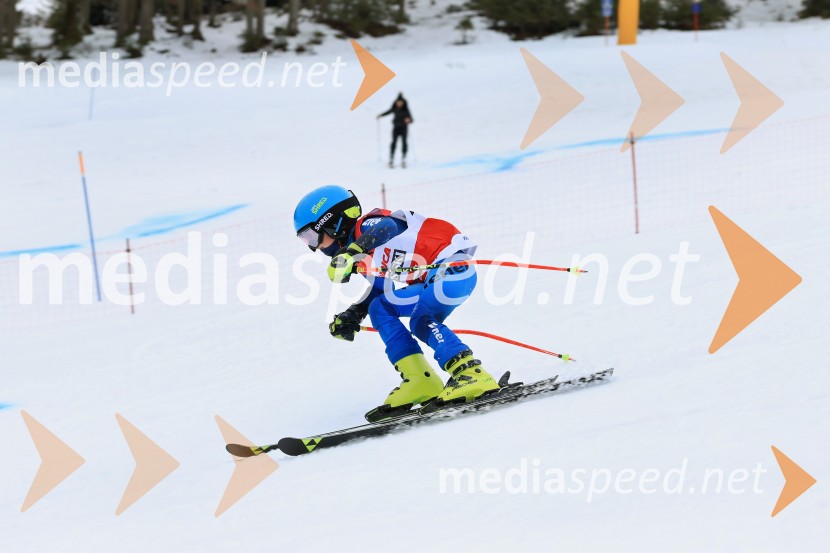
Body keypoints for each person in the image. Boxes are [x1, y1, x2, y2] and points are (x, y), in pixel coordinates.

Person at [293, 185, 499, 422]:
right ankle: (420, 379)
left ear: (333, 223)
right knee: (380, 308)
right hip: (432, 281)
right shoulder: (361, 256)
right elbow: (380, 289)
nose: (314, 247)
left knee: (421, 320)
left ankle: (471, 373)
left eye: (312, 237)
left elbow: (391, 226)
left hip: (453, 269)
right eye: (306, 241)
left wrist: (352, 251)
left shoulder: (367, 226)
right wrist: (353, 314)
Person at [377, 93, 413, 169]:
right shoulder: (394, 108)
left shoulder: (406, 110)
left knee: (404, 142)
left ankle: (403, 158)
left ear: (403, 103)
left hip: (404, 128)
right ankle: (391, 159)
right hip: (396, 128)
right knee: (393, 143)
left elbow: (411, 120)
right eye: (398, 102)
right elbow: (388, 112)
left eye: (401, 102)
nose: (399, 104)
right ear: (396, 102)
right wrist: (381, 115)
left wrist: (408, 120)